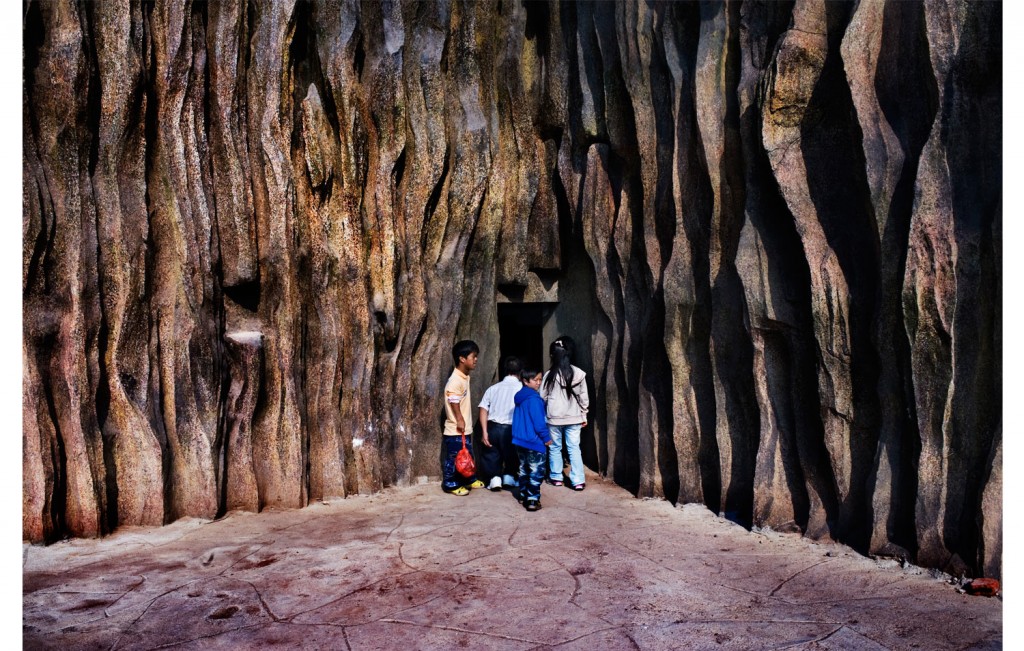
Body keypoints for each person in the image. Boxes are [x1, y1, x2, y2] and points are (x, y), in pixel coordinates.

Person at [540, 336, 589, 491]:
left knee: (554, 448)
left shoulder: (549, 375)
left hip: (554, 418)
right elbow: (583, 397)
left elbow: (542, 397)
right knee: (574, 447)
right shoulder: (579, 374)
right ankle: (578, 481)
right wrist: (584, 414)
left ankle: (556, 477)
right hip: (574, 417)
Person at [442, 340, 486, 496]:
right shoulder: (455, 380)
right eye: (473, 356)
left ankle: (469, 479)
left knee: (467, 457)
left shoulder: (464, 376)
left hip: (463, 429)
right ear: (462, 359)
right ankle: (450, 484)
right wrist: (460, 420)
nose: (476, 360)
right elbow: (453, 401)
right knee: (454, 459)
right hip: (455, 430)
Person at [478, 356, 523, 491]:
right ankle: (509, 477)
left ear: (504, 370)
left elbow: (483, 409)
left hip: (493, 426)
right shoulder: (522, 388)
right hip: (512, 428)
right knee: (512, 454)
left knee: (491, 454)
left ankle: (494, 479)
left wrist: (484, 431)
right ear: (520, 372)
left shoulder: (493, 388)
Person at [511, 366, 553, 511]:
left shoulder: (519, 397)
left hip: (519, 440)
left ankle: (523, 495)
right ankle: (533, 500)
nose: (539, 383)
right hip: (534, 441)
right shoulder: (534, 399)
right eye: (535, 380)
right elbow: (539, 423)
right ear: (525, 381)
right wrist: (546, 438)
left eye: (540, 379)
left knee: (524, 468)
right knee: (536, 470)